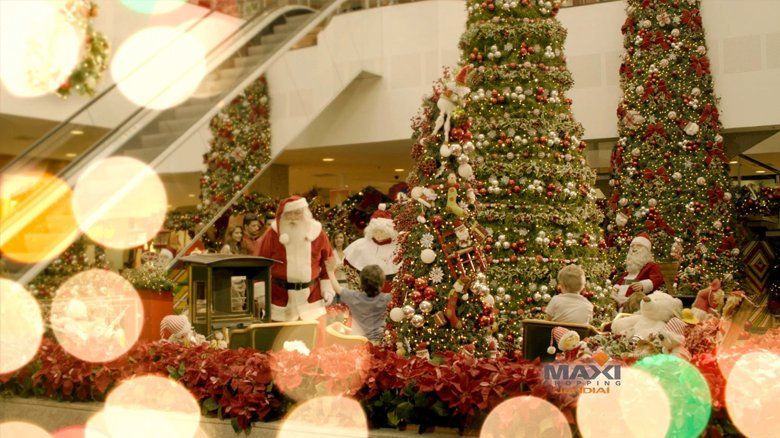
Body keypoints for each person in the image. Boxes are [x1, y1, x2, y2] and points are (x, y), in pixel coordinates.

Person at [252, 196, 335, 321]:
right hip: (280, 300)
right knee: (280, 339)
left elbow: (328, 263)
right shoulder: (273, 234)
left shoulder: (317, 233)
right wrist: (261, 294)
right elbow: (259, 265)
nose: (294, 218)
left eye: (298, 213)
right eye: (290, 214)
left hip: (312, 299)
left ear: (305, 213)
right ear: (283, 215)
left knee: (313, 338)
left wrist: (327, 289)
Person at [325, 259, 390, 343]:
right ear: (382, 283)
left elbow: (337, 288)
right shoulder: (386, 298)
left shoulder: (353, 297)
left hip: (358, 343)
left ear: (361, 282)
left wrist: (330, 271)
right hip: (380, 343)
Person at [343, 205, 400, 290]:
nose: (379, 235)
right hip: (364, 288)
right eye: (376, 231)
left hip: (388, 289)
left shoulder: (396, 248)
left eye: (382, 232)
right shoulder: (361, 244)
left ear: (390, 232)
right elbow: (348, 264)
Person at [612, 233, 665, 311]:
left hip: (635, 304)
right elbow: (621, 281)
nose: (634, 248)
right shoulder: (629, 271)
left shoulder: (651, 266)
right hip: (619, 302)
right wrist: (616, 287)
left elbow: (657, 278)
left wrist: (643, 285)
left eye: (638, 246)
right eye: (632, 246)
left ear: (646, 250)